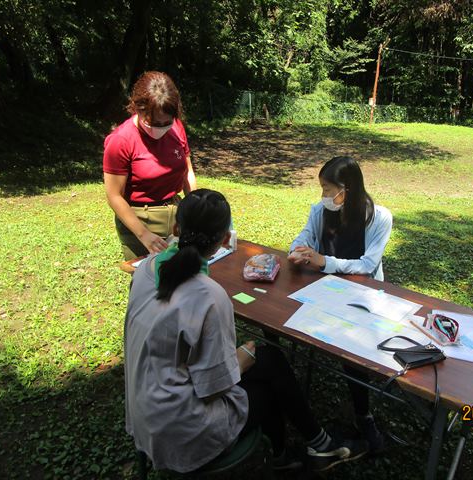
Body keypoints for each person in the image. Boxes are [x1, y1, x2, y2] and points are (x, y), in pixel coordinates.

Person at [124, 188, 367, 474]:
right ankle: (297, 452)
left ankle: (301, 448)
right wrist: (240, 359)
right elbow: (214, 387)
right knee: (267, 386)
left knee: (272, 361)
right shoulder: (209, 296)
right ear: (225, 240)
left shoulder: (145, 269)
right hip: (182, 432)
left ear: (176, 228)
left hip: (142, 412)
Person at [288, 156, 393, 455]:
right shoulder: (320, 210)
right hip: (324, 289)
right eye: (321, 189)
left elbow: (368, 265)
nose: (323, 196)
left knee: (352, 347)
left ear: (345, 190)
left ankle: (363, 413)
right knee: (284, 318)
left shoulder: (379, 218)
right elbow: (305, 236)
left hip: (363, 294)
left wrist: (324, 261)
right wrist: (298, 249)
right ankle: (292, 391)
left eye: (326, 189)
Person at [103, 71, 197, 261]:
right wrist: (143, 234)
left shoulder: (177, 127)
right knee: (146, 282)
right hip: (140, 220)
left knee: (180, 278)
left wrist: (195, 206)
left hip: (176, 213)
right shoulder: (121, 140)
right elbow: (114, 196)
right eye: (154, 122)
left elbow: (187, 171)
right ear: (138, 108)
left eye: (166, 122)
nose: (161, 127)